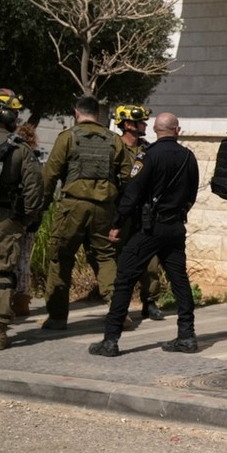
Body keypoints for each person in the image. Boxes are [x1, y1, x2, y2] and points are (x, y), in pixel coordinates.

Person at [88, 113, 200, 357]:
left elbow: (133, 192)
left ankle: (110, 340)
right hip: (175, 227)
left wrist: (117, 223)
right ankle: (187, 335)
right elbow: (192, 194)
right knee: (179, 280)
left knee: (125, 279)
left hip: (150, 229)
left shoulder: (147, 156)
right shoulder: (188, 157)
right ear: (177, 130)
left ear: (155, 131)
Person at [39, 95, 132, 330]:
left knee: (61, 257)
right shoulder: (114, 140)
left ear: (76, 113)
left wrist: (41, 206)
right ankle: (119, 313)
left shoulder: (68, 137)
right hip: (104, 208)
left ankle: (57, 317)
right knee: (105, 256)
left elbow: (50, 174)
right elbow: (127, 176)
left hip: (73, 207)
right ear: (99, 115)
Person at [0, 89, 43, 350]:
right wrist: (29, 218)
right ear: (7, 115)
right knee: (2, 273)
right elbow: (34, 188)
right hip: (5, 220)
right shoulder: (20, 149)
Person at [112, 104, 164, 322]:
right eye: (141, 121)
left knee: (151, 260)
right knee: (116, 258)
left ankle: (150, 301)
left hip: (143, 212)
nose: (145, 125)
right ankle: (117, 302)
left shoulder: (147, 149)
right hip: (120, 211)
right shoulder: (114, 148)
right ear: (128, 125)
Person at [12, 122, 44, 318]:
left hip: (10, 215)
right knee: (24, 259)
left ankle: (1, 299)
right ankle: (22, 300)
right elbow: (38, 188)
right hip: (29, 217)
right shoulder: (35, 158)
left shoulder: (11, 154)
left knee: (2, 260)